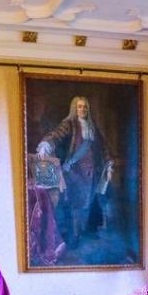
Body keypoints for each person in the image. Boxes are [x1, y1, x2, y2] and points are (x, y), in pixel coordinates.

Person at [36, 96, 114, 244]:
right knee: (74, 203)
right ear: (75, 108)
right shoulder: (69, 125)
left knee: (89, 203)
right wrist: (45, 145)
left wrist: (109, 165)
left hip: (92, 173)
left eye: (85, 107)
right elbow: (55, 135)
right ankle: (74, 237)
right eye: (79, 106)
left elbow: (104, 148)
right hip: (75, 172)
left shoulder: (92, 127)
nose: (82, 109)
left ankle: (87, 232)